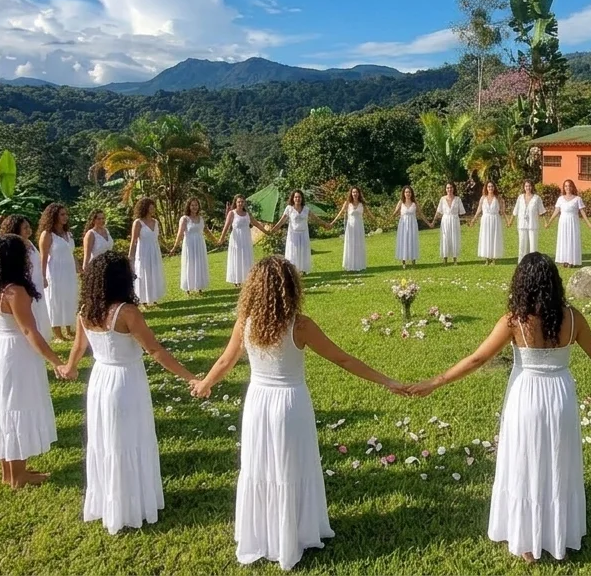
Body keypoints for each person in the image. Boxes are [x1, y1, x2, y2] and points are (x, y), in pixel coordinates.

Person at [406, 252, 591, 563]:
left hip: (526, 396)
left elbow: (477, 359)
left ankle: (528, 541)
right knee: (557, 462)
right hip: (560, 397)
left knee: (526, 463)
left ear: (521, 284)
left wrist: (435, 382)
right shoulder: (573, 318)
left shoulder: (515, 321)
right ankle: (558, 535)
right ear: (554, 283)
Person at [192, 256, 403, 570]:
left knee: (260, 466)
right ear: (290, 287)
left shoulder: (246, 323)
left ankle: (264, 534)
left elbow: (225, 361)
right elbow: (342, 359)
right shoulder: (300, 325)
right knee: (292, 467)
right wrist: (387, 380)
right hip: (291, 404)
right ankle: (295, 534)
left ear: (253, 289)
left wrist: (205, 383)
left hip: (258, 404)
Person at [60, 252, 200, 534]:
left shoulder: (85, 311)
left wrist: (69, 367)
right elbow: (155, 350)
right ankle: (132, 504)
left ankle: (111, 502)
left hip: (100, 382)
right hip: (125, 382)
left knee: (107, 441)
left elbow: (78, 348)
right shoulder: (126, 313)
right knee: (128, 440)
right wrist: (190, 377)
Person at [0, 234, 73, 489]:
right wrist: (56, 361)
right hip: (16, 353)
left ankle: (10, 472)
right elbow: (29, 331)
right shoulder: (14, 292)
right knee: (16, 407)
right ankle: (18, 475)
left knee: (4, 408)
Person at [0, 215, 51, 343]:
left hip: (36, 282)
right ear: (16, 229)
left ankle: (41, 338)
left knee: (39, 308)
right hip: (26, 284)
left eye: (29, 227)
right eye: (25, 228)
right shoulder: (14, 247)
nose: (29, 230)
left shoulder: (30, 243)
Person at [38, 203, 79, 341]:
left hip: (69, 272)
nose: (65, 217)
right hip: (55, 272)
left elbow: (71, 252)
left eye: (66, 214)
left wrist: (79, 267)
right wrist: (42, 276)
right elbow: (43, 257)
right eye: (62, 214)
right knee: (56, 300)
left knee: (69, 298)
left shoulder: (68, 234)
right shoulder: (47, 235)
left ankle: (68, 328)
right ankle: (57, 333)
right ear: (53, 216)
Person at [220, 196, 271, 287]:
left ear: (244, 203)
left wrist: (266, 231)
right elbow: (226, 226)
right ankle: (236, 279)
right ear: (235, 203)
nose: (240, 203)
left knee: (246, 257)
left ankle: (247, 278)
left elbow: (256, 223)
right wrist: (221, 239)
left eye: (242, 202)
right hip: (236, 239)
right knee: (237, 257)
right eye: (239, 202)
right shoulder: (232, 213)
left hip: (246, 238)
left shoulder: (247, 214)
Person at [274, 190, 326, 275]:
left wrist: (325, 225)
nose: (297, 199)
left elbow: (316, 219)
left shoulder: (306, 209)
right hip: (293, 235)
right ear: (293, 198)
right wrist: (273, 230)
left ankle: (302, 269)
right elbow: (282, 221)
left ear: (302, 198)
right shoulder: (289, 208)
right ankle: (293, 270)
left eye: (299, 197)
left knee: (303, 252)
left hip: (304, 234)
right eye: (296, 197)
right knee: (293, 253)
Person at [129, 198, 166, 306]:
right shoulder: (138, 222)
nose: (153, 209)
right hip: (143, 252)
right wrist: (130, 256)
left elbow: (158, 238)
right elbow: (134, 240)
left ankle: (154, 297)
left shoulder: (156, 222)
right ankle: (143, 300)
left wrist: (168, 248)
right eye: (151, 207)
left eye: (153, 206)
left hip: (155, 251)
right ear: (145, 207)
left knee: (154, 272)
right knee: (143, 274)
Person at [549, 180, 590, 268]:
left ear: (572, 187)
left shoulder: (577, 199)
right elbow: (556, 211)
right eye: (566, 186)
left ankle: (572, 260)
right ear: (564, 188)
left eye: (569, 186)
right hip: (563, 222)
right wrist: (550, 221)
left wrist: (588, 223)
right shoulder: (560, 199)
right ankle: (565, 259)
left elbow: (582, 211)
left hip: (573, 222)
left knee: (572, 239)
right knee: (564, 239)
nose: (567, 188)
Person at [174, 198, 211, 295]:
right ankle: (188, 287)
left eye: (196, 205)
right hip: (189, 244)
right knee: (189, 264)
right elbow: (180, 234)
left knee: (199, 263)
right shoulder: (185, 219)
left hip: (200, 244)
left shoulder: (201, 219)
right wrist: (175, 247)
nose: (194, 207)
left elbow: (206, 232)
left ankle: (199, 286)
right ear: (189, 206)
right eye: (192, 205)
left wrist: (217, 241)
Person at [329, 186, 368, 273]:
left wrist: (380, 221)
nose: (355, 194)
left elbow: (370, 214)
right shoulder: (347, 203)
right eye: (353, 192)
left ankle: (359, 265)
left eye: (356, 192)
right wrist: (332, 222)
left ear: (359, 194)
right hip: (350, 228)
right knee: (350, 245)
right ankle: (350, 265)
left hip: (359, 228)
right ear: (351, 193)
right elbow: (340, 213)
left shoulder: (362, 204)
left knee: (359, 245)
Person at [509, 180, 546, 261]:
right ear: (524, 187)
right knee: (522, 245)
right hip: (522, 225)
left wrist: (545, 223)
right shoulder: (520, 197)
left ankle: (533, 263)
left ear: (532, 187)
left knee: (533, 245)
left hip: (533, 225)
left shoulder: (537, 198)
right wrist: (510, 221)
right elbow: (515, 210)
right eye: (526, 186)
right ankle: (522, 262)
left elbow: (542, 211)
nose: (527, 188)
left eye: (529, 186)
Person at [431, 181, 466, 265]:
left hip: (454, 220)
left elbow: (462, 212)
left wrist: (469, 221)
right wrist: (433, 222)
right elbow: (438, 211)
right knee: (445, 238)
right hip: (445, 221)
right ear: (445, 189)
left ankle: (455, 259)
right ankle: (445, 259)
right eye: (447, 188)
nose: (449, 189)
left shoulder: (458, 199)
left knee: (455, 238)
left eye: (451, 187)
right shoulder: (442, 199)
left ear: (453, 188)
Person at [473, 180, 505, 265]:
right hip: (485, 220)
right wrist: (474, 219)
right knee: (485, 238)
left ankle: (494, 259)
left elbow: (502, 210)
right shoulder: (483, 198)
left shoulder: (498, 198)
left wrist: (507, 220)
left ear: (494, 188)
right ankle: (487, 259)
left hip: (495, 219)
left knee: (494, 238)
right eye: (489, 186)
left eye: (492, 186)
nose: (490, 188)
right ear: (486, 188)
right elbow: (479, 209)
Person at [393, 186, 421, 267]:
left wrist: (429, 223)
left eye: (409, 192)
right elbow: (395, 213)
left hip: (412, 224)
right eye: (406, 192)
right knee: (404, 240)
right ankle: (404, 262)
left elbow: (420, 213)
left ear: (411, 193)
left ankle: (413, 260)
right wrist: (388, 219)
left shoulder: (414, 202)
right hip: (403, 225)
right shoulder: (401, 202)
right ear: (403, 193)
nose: (408, 194)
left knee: (412, 240)